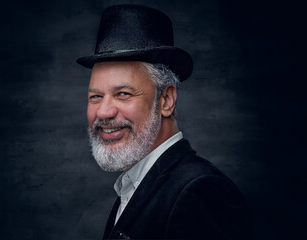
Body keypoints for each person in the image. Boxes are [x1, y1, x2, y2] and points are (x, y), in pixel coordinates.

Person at [77, 4, 252, 240]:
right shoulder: (135, 186)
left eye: (123, 94)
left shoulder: (200, 193)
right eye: (95, 96)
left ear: (166, 100)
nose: (104, 112)